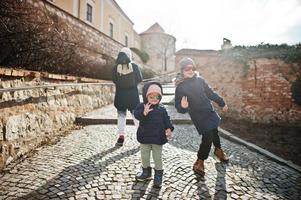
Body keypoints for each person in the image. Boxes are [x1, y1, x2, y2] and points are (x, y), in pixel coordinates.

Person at [174, 57, 229, 176]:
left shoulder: (200, 80)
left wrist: (222, 102)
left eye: (192, 68)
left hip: (209, 111)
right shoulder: (180, 87)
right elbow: (178, 106)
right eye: (187, 68)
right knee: (208, 136)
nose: (190, 70)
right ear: (182, 70)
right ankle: (199, 161)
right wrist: (182, 106)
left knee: (214, 130)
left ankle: (218, 151)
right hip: (198, 115)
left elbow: (210, 93)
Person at [134, 82, 174, 188]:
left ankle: (158, 176)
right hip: (144, 137)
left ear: (160, 97)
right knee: (144, 156)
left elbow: (167, 120)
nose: (154, 98)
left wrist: (169, 128)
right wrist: (144, 112)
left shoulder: (162, 109)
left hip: (158, 138)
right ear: (146, 96)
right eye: (151, 96)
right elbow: (137, 115)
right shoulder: (141, 106)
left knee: (157, 158)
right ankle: (146, 173)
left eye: (157, 96)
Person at [112, 47, 143, 146]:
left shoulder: (115, 68)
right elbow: (140, 79)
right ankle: (141, 136)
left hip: (120, 96)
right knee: (136, 116)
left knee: (121, 116)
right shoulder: (134, 66)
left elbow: (114, 80)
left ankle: (121, 137)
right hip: (133, 95)